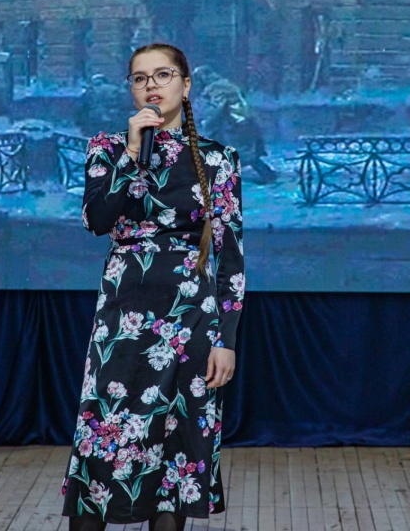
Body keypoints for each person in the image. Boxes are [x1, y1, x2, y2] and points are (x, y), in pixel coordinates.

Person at [61, 43, 245, 531]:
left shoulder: (219, 159)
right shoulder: (107, 149)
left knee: (177, 452)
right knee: (102, 443)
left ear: (186, 86)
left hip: (192, 321)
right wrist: (132, 151)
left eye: (163, 75)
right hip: (122, 321)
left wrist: (226, 339)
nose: (151, 86)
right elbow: (97, 220)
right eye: (140, 78)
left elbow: (230, 259)